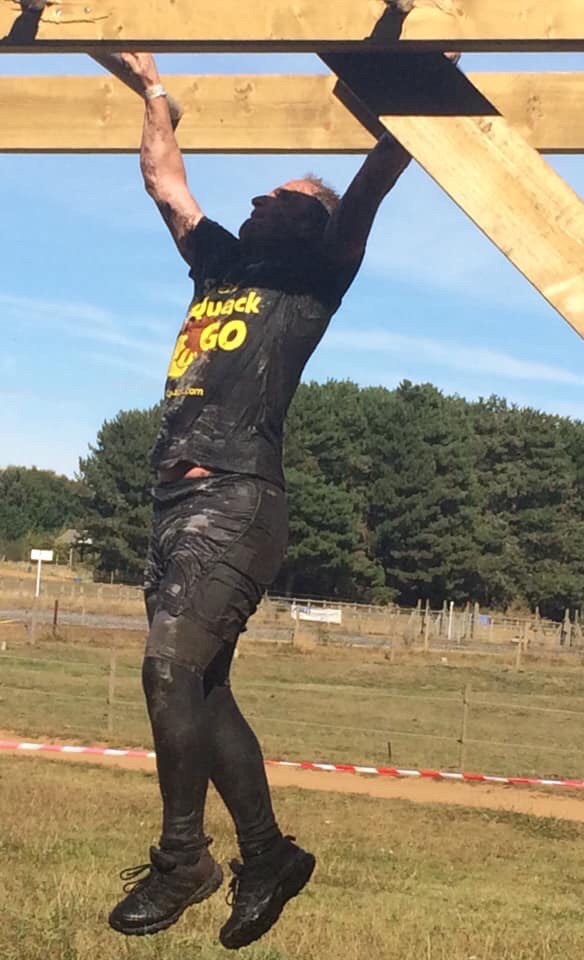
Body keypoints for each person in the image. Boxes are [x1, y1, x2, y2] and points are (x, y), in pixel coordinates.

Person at [107, 52, 411, 950]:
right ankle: (269, 856)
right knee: (201, 688)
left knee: (168, 670)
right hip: (173, 502)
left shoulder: (316, 276)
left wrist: (425, 69)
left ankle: (183, 861)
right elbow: (164, 181)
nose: (253, 201)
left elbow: (383, 170)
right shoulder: (222, 265)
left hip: (235, 500)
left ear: (315, 223)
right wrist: (152, 87)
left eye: (278, 197)